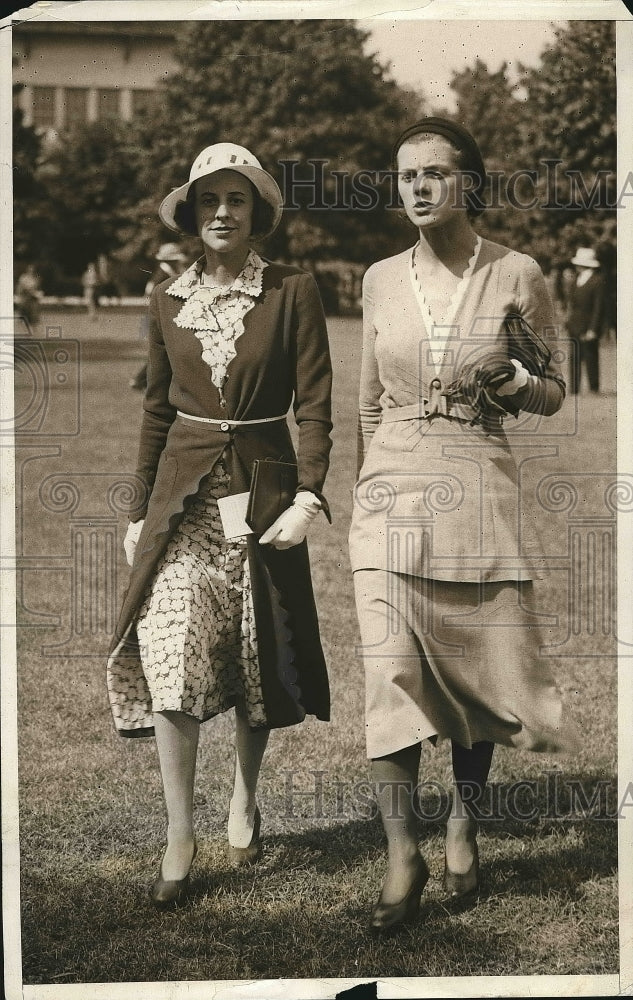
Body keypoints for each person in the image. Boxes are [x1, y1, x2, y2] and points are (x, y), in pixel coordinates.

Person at [348, 118, 579, 933]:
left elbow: (556, 389)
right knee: (389, 667)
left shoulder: (517, 272)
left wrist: (516, 377)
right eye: (404, 173)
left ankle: (461, 821)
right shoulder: (377, 279)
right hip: (391, 485)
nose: (416, 187)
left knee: (468, 670)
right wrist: (366, 483)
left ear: (468, 184)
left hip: (477, 473)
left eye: (433, 173)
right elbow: (368, 400)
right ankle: (400, 851)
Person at [107, 143, 333, 908]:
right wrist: (138, 509)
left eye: (236, 200)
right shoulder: (166, 298)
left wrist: (310, 495)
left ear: (257, 212)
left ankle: (244, 792)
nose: (222, 214)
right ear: (192, 213)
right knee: (167, 644)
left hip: (262, 498)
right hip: (183, 504)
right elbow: (154, 409)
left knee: (250, 653)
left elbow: (314, 405)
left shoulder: (292, 292)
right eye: (209, 201)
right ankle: (178, 832)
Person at [129, 243, 188, 390]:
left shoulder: (165, 274)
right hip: (159, 319)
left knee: (163, 352)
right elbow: (152, 299)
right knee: (162, 352)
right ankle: (140, 380)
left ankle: (142, 381)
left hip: (161, 318)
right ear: (169, 260)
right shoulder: (162, 276)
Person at [566, 246, 606, 394]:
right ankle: (574, 388)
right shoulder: (577, 279)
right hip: (575, 325)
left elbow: (598, 307)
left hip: (588, 325)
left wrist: (593, 329)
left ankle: (593, 387)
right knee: (574, 357)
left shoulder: (597, 280)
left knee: (590, 356)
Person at [14, 263, 43, 330]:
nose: (31, 270)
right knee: (25, 310)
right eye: (30, 269)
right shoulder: (23, 277)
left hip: (33, 298)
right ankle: (25, 323)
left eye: (32, 269)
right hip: (25, 297)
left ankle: (33, 325)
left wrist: (36, 293)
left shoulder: (36, 278)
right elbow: (20, 287)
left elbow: (38, 288)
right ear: (27, 269)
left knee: (34, 311)